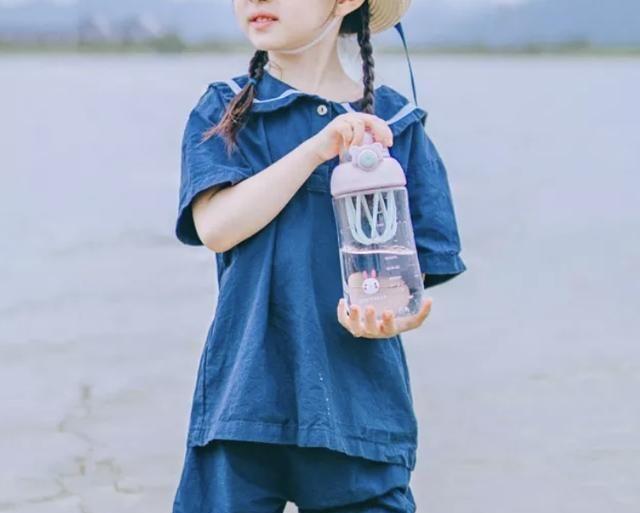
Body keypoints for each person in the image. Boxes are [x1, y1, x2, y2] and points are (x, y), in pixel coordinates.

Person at [172, 1, 467, 511]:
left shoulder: (396, 125)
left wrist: (395, 318)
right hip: (244, 402)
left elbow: (411, 276)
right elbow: (216, 227)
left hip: (360, 410)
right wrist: (316, 149)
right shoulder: (226, 109)